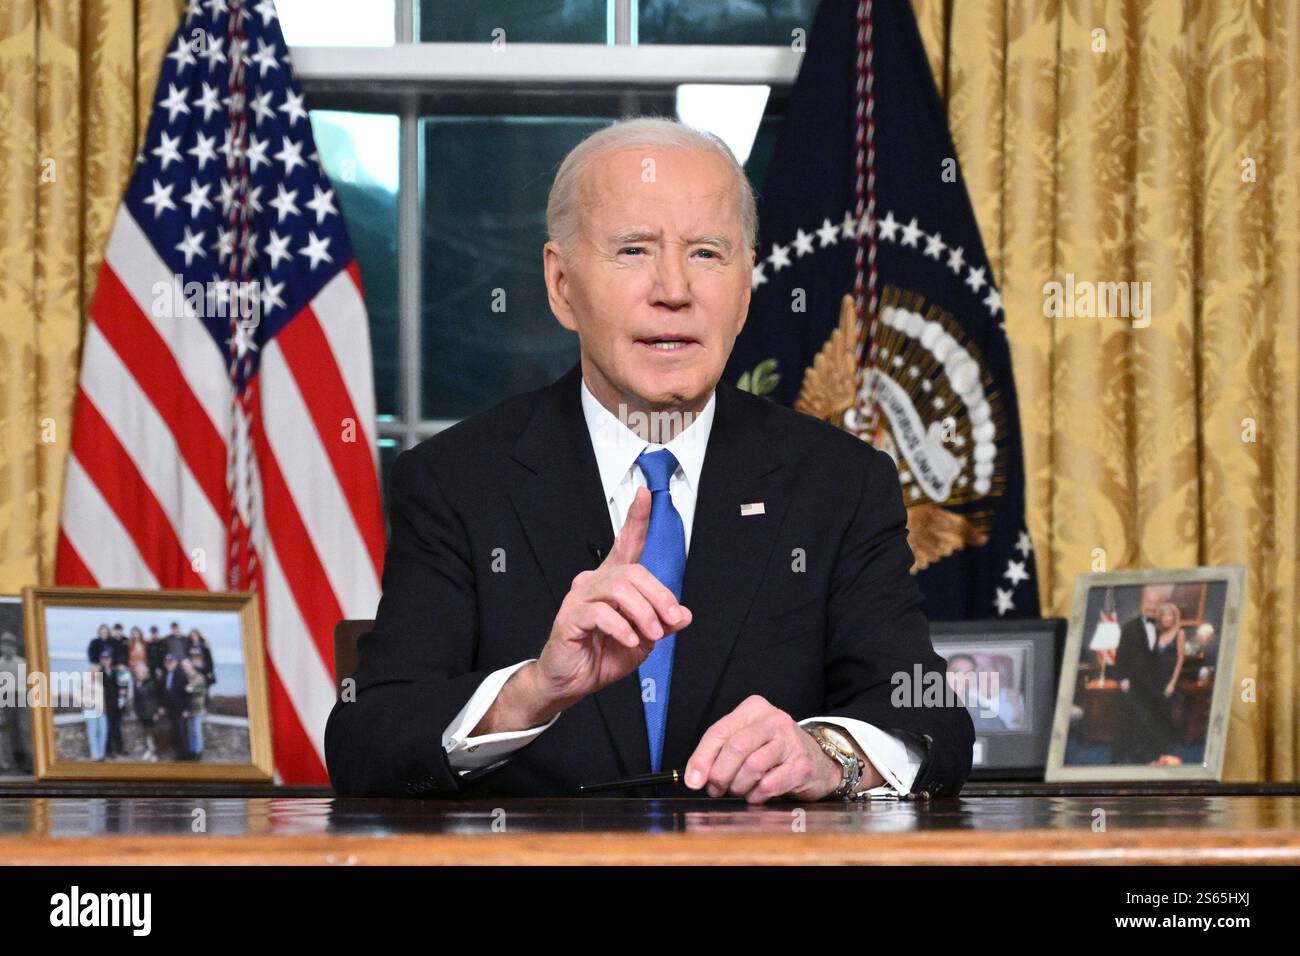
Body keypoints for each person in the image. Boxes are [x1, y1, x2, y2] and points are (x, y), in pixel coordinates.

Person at [325, 117, 973, 802]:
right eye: (634, 250)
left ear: (747, 285)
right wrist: (533, 691)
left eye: (707, 254)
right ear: (561, 284)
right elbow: (368, 738)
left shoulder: (841, 484)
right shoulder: (456, 481)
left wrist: (826, 754)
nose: (674, 289)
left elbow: (928, 716)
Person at [1114, 585, 1174, 764]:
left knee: (1153, 720)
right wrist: (1122, 678)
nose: (1152, 607)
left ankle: (1151, 756)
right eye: (1149, 602)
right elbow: (1120, 656)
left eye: (1156, 604)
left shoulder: (1163, 628)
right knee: (1132, 721)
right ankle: (1122, 756)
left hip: (1154, 684)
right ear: (1142, 603)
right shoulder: (1128, 628)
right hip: (1133, 683)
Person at [0, 630, 31, 773]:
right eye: (5, 645)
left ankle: (29, 762)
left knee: (24, 729)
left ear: (15, 647)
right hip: (6, 698)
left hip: (21, 697)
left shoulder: (22, 662)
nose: (8, 648)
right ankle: (18, 761)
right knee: (11, 731)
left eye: (10, 645)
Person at [159, 654, 190, 760]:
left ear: (175, 663)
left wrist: (186, 709)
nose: (169, 664)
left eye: (171, 662)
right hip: (170, 708)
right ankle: (178, 754)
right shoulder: (164, 675)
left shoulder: (182, 675)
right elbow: (163, 693)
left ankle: (185, 756)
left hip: (180, 709)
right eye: (167, 662)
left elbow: (187, 694)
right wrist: (162, 706)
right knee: (175, 732)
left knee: (182, 733)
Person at [131, 663, 161, 762]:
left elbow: (155, 698)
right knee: (146, 732)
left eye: (138, 672)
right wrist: (135, 710)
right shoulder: (136, 682)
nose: (137, 673)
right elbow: (136, 698)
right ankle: (149, 750)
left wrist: (156, 712)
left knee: (152, 732)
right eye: (136, 672)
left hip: (150, 712)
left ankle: (154, 753)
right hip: (141, 712)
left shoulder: (151, 682)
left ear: (144, 672)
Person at [180, 658, 207, 761]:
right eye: (183, 666)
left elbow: (196, 690)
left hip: (197, 708)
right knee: (190, 731)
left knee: (196, 731)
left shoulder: (198, 677)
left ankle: (198, 753)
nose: (184, 668)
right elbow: (185, 691)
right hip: (188, 708)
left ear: (191, 665)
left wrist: (189, 689)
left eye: (186, 666)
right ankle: (192, 751)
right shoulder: (185, 677)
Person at [82, 663, 108, 762]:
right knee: (93, 733)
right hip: (90, 710)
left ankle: (101, 755)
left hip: (101, 710)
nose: (95, 673)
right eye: (93, 671)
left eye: (97, 671)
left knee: (103, 732)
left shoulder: (100, 682)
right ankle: (95, 756)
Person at [184, 629, 216, 700]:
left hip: (203, 670)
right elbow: (186, 657)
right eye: (192, 635)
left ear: (198, 635)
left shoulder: (204, 645)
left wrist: (210, 671)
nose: (193, 637)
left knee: (205, 688)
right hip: (193, 670)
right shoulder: (188, 645)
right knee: (192, 688)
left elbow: (209, 659)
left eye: (195, 635)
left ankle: (205, 707)